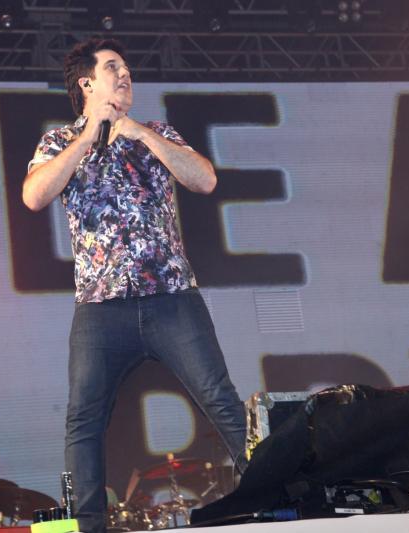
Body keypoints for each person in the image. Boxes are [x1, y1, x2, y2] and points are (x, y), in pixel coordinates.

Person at [23, 38, 247, 532]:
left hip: (171, 297)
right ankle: (88, 526)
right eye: (113, 68)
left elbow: (205, 180)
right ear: (87, 83)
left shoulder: (157, 132)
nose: (125, 74)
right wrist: (88, 137)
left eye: (127, 68)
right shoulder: (59, 141)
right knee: (84, 418)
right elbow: (34, 196)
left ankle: (275, 498)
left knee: (220, 398)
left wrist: (140, 133)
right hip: (101, 307)